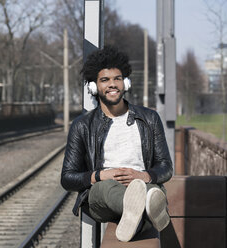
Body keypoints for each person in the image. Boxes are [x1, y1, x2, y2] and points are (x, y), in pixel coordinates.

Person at [61, 46, 173, 242]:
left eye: (117, 79)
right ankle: (145, 208)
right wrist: (100, 175)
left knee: (149, 190)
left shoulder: (150, 118)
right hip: (102, 195)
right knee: (107, 189)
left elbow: (166, 167)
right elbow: (67, 178)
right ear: (94, 87)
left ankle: (136, 217)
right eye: (105, 80)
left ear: (126, 83)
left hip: (141, 183)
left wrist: (144, 175)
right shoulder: (82, 126)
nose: (112, 84)